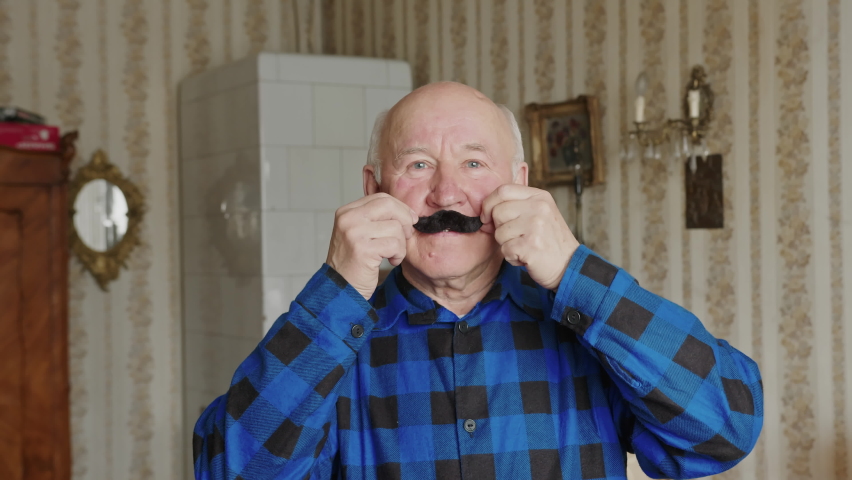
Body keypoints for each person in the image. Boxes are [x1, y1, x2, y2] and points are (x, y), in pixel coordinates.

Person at [193, 82, 762, 480]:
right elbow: (230, 472)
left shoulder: (585, 325)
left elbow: (725, 430)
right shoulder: (331, 342)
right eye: (418, 164)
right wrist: (335, 291)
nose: (446, 194)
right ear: (374, 189)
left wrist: (575, 272)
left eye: (473, 163)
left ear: (519, 182)